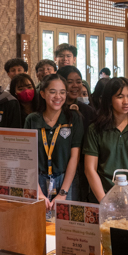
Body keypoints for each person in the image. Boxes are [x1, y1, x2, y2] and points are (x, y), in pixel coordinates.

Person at [84, 78, 128, 218]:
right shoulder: (95, 129)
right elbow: (90, 169)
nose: (126, 101)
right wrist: (105, 203)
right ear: (109, 100)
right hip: (103, 199)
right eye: (120, 97)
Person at [24, 74, 83, 211]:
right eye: (53, 92)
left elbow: (75, 157)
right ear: (43, 94)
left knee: (64, 227)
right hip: (37, 180)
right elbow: (27, 157)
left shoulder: (73, 118)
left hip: (66, 181)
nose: (58, 96)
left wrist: (63, 193)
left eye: (62, 92)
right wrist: (37, 192)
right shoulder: (32, 119)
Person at [59, 65, 97, 201]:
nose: (75, 85)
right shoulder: (55, 110)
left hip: (83, 168)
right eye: (70, 82)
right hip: (59, 168)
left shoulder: (88, 111)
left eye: (79, 81)